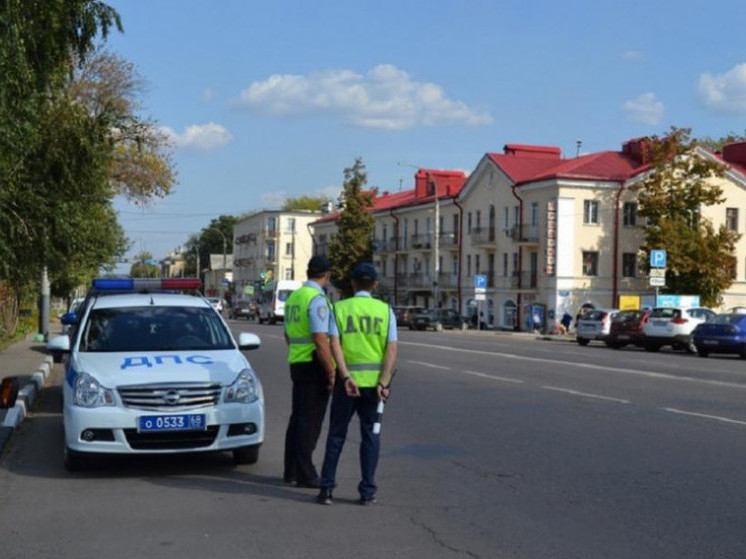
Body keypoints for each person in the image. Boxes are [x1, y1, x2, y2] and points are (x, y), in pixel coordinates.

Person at [317, 263, 398, 506]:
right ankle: (367, 492)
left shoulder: (339, 308)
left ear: (352, 284)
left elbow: (334, 344)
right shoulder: (385, 311)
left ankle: (327, 489)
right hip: (374, 388)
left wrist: (345, 377)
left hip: (347, 386)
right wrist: (383, 382)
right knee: (371, 437)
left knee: (336, 436)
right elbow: (391, 349)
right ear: (375, 284)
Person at [283, 255, 336, 488]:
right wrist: (331, 370)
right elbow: (320, 339)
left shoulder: (295, 297)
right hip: (314, 365)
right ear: (327, 275)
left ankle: (291, 470)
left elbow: (287, 334)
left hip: (297, 361)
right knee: (310, 422)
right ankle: (306, 473)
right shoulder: (317, 299)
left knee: (297, 419)